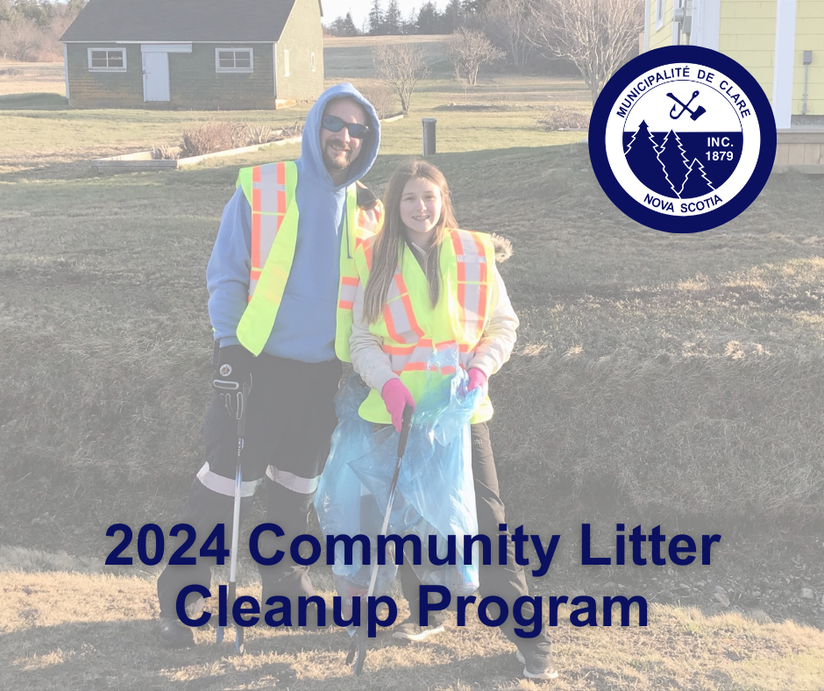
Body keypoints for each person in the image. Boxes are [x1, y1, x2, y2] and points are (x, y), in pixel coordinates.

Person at [156, 83, 383, 648]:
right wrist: (228, 349)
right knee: (223, 488)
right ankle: (181, 599)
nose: (345, 137)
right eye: (336, 123)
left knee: (294, 489)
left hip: (322, 377)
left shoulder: (366, 209)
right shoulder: (264, 185)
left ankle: (283, 588)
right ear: (314, 125)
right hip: (257, 367)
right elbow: (227, 272)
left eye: (358, 129)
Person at [349, 160, 558, 680]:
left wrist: (482, 367)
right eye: (409, 199)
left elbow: (503, 325)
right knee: (407, 520)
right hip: (397, 416)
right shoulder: (373, 257)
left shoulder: (474, 253)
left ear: (444, 199)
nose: (421, 208)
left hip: (461, 416)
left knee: (487, 524)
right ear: (395, 207)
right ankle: (427, 611)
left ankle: (532, 641)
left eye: (429, 197)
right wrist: (388, 383)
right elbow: (361, 339)